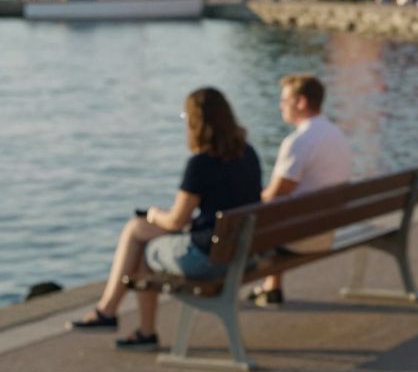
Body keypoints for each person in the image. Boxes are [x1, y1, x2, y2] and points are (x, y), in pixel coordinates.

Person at [68, 88, 261, 350]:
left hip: (210, 260)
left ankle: (121, 318)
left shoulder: (201, 164)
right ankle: (112, 313)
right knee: (140, 234)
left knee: (141, 240)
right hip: (244, 253)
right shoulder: (248, 154)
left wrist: (152, 213)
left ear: (196, 122)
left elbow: (175, 222)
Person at [245, 74, 352, 307]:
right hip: (329, 229)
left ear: (301, 102)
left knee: (253, 215)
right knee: (280, 212)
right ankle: (271, 288)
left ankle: (264, 288)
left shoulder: (298, 141)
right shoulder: (336, 133)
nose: (280, 105)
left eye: (285, 100)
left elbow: (275, 194)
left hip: (303, 237)